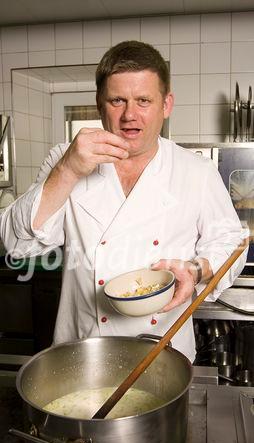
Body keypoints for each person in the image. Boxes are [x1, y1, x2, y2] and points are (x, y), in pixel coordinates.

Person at [0, 40, 248, 362]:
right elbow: (17, 245)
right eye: (117, 100)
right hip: (83, 353)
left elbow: (229, 241)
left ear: (166, 104)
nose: (130, 115)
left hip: (163, 352)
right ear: (99, 104)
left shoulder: (195, 171)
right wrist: (69, 171)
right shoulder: (64, 159)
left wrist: (197, 270)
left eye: (143, 100)